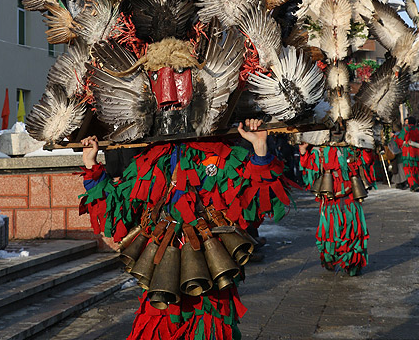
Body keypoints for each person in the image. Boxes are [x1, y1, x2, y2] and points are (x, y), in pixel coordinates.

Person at [80, 119, 293, 340]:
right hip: (160, 273)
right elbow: (118, 210)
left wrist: (259, 149)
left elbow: (256, 204)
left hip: (211, 275)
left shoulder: (221, 155)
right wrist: (90, 164)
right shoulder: (150, 159)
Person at [299, 141, 375, 276]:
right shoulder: (320, 149)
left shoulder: (354, 146)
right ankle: (329, 257)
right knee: (329, 231)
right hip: (330, 199)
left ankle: (353, 263)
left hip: (351, 197)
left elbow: (367, 160)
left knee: (353, 231)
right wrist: (304, 151)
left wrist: (367, 146)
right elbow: (309, 166)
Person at [394, 116, 419, 191]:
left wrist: (394, 137)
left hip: (408, 153)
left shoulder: (406, 129)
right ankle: (418, 184)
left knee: (409, 170)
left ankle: (414, 185)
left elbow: (400, 140)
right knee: (417, 170)